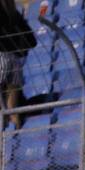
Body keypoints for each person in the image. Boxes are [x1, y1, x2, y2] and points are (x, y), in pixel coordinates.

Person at [0, 0, 35, 129]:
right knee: (12, 110)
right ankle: (15, 140)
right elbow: (32, 40)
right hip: (15, 61)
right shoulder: (13, 13)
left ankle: (2, 144)